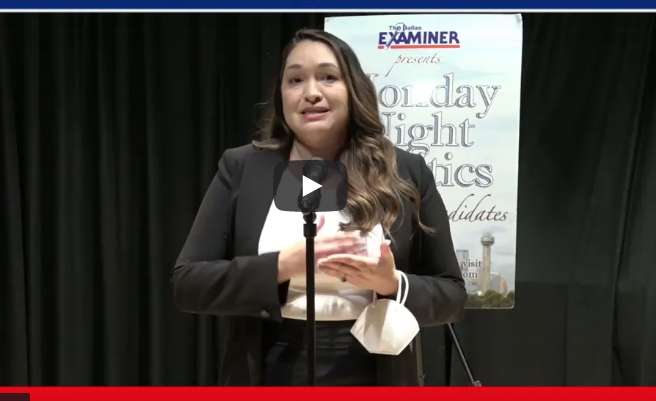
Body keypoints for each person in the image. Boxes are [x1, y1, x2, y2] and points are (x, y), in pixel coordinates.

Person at [172, 28, 466, 385]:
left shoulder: (406, 170)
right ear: (281, 95)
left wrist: (391, 283)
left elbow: (452, 295)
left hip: (376, 370)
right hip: (266, 369)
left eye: (328, 77)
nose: (311, 92)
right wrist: (282, 266)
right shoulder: (242, 167)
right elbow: (188, 284)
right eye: (295, 80)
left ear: (353, 89)